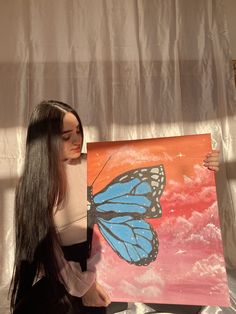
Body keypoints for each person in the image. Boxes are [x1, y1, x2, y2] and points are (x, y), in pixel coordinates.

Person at [9, 100, 220, 314]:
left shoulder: (96, 162)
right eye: (66, 136)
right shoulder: (34, 185)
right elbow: (51, 254)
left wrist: (200, 162)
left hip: (117, 258)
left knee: (190, 298)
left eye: (79, 131)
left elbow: (162, 163)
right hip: (71, 273)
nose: (77, 140)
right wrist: (84, 286)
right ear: (44, 140)